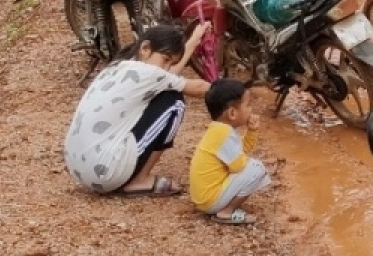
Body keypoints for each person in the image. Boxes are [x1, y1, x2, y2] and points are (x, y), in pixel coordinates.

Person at [64, 23, 210, 197]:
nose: (166, 67)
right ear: (145, 48)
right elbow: (199, 88)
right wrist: (234, 91)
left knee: (168, 91)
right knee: (173, 102)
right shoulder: (150, 74)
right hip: (105, 174)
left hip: (80, 169)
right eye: (165, 59)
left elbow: (168, 75)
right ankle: (140, 180)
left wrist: (194, 40)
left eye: (170, 62)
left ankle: (130, 172)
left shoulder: (117, 66)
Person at [189, 79, 271, 224]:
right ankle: (226, 212)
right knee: (257, 168)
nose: (251, 109)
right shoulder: (224, 132)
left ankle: (224, 206)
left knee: (252, 167)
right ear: (232, 113)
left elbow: (240, 154)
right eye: (248, 105)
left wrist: (252, 132)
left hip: (203, 198)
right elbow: (239, 165)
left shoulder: (219, 129)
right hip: (209, 200)